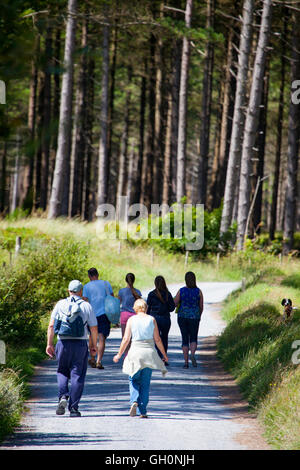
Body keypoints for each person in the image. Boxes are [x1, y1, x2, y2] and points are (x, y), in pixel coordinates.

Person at [46, 280, 98, 417]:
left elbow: (51, 326)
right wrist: (93, 345)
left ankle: (63, 396)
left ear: (68, 291)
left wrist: (49, 344)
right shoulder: (87, 306)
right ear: (81, 291)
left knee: (62, 371)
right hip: (80, 344)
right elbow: (93, 328)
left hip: (62, 343)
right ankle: (73, 408)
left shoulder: (60, 304)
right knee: (78, 375)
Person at [113, 299, 168, 418]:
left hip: (135, 352)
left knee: (133, 378)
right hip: (149, 353)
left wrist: (119, 354)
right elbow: (157, 339)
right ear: (146, 308)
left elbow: (126, 339)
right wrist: (164, 355)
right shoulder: (151, 319)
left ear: (135, 308)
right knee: (145, 382)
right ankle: (142, 410)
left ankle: (134, 401)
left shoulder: (131, 320)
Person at [82, 268, 114, 369]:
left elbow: (85, 300)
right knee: (101, 338)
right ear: (98, 274)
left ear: (89, 276)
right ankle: (99, 361)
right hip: (104, 314)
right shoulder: (106, 284)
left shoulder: (86, 286)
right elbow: (112, 297)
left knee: (92, 336)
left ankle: (92, 358)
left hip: (92, 314)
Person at [174, 272, 204, 368]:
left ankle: (186, 362)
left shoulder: (181, 291)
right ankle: (192, 355)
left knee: (185, 338)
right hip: (194, 316)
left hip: (182, 316)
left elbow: (175, 303)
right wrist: (198, 315)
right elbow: (201, 306)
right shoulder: (198, 291)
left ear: (185, 280)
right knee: (194, 337)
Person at [146, 276, 175, 365]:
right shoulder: (168, 294)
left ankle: (156, 358)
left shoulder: (151, 294)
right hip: (165, 318)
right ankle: (163, 358)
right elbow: (172, 308)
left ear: (155, 283)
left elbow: (148, 307)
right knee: (164, 338)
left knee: (156, 339)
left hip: (154, 319)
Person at [118, 273, 142, 356]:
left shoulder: (121, 292)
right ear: (134, 280)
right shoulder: (138, 292)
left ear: (125, 280)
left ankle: (126, 356)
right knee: (134, 338)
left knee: (125, 338)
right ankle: (133, 355)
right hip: (134, 316)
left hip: (124, 315)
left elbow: (118, 304)